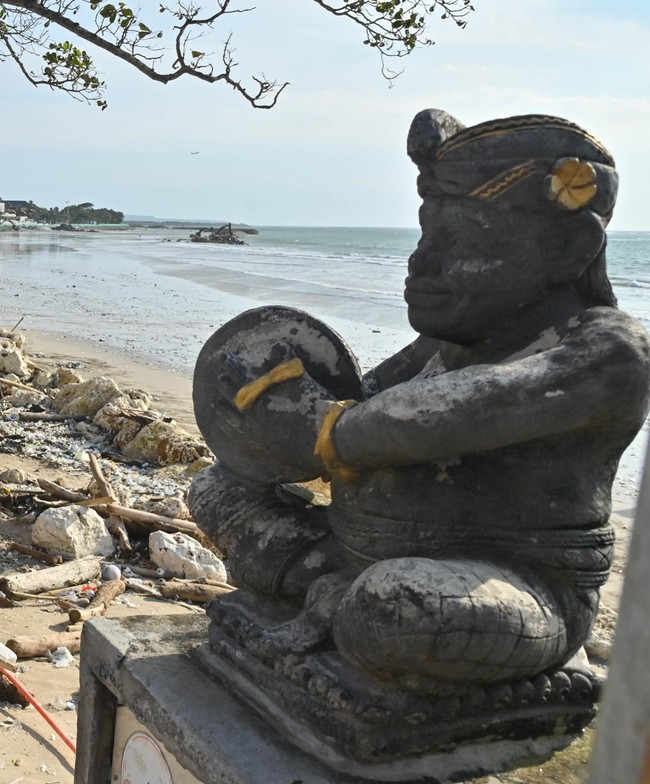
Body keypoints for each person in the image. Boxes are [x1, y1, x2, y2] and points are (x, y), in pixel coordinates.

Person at [190, 111, 650, 691]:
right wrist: (266, 412)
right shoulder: (448, 340)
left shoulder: (606, 353)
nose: (421, 261)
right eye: (426, 236)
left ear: (568, 248)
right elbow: (363, 399)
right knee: (217, 488)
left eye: (461, 243)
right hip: (350, 550)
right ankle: (331, 591)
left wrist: (322, 427)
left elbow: (445, 415)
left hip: (514, 583)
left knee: (396, 605)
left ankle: (347, 605)